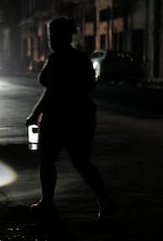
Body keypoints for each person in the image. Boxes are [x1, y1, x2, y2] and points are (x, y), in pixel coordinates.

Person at [25, 17, 113, 219]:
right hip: (81, 114)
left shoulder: (57, 58)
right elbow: (86, 86)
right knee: (82, 162)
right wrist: (36, 113)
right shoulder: (81, 58)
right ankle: (103, 198)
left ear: (60, 36)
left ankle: (47, 202)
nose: (50, 40)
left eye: (52, 36)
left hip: (59, 116)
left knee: (47, 159)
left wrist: (36, 114)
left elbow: (48, 85)